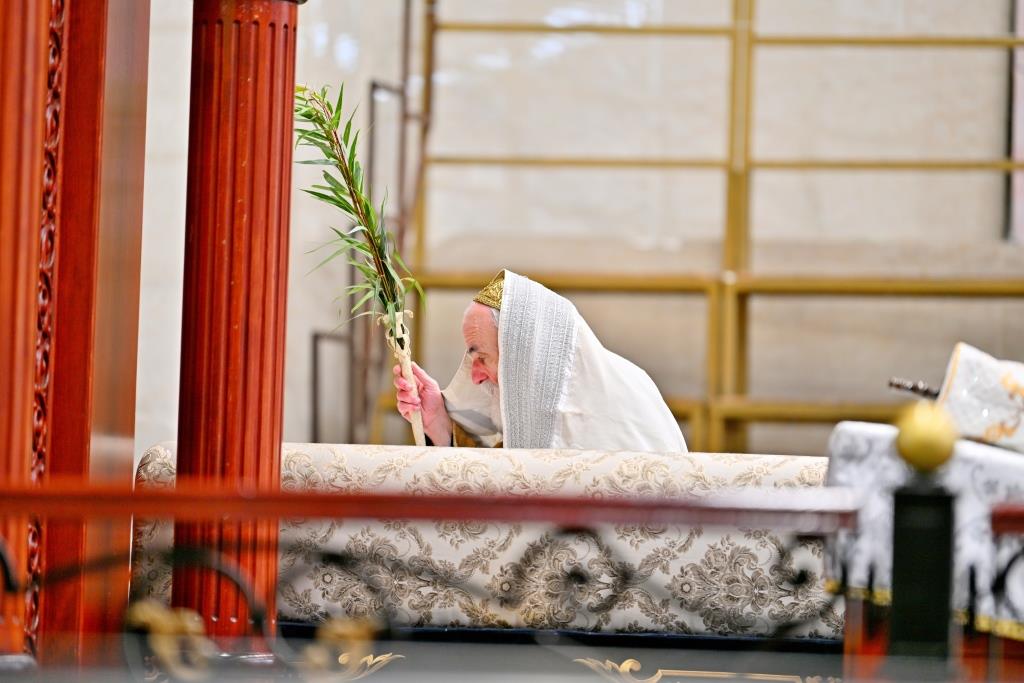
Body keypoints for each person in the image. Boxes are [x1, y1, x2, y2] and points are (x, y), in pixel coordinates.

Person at [393, 270, 687, 452]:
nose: (476, 376)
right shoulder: (538, 419)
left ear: (523, 357)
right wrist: (439, 425)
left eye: (482, 358)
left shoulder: (616, 415)